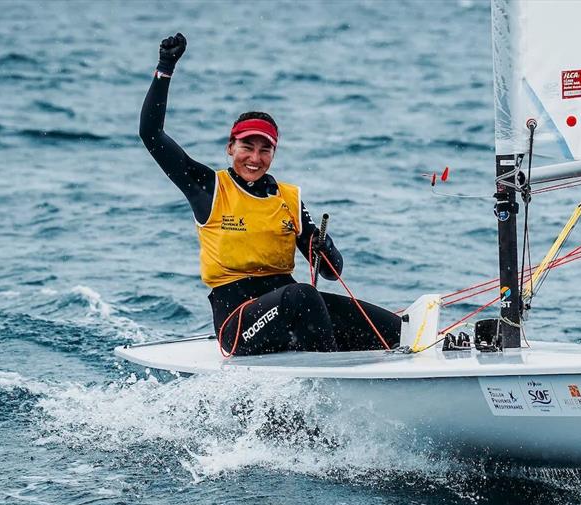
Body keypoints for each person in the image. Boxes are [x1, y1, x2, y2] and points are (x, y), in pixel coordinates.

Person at [139, 33, 400, 355]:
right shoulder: (208, 187)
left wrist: (325, 246)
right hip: (238, 324)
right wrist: (165, 68)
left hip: (292, 308)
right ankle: (329, 383)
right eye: (247, 146)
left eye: (266, 149)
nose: (255, 157)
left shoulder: (288, 199)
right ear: (230, 148)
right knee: (303, 296)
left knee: (392, 329)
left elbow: (332, 273)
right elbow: (151, 134)